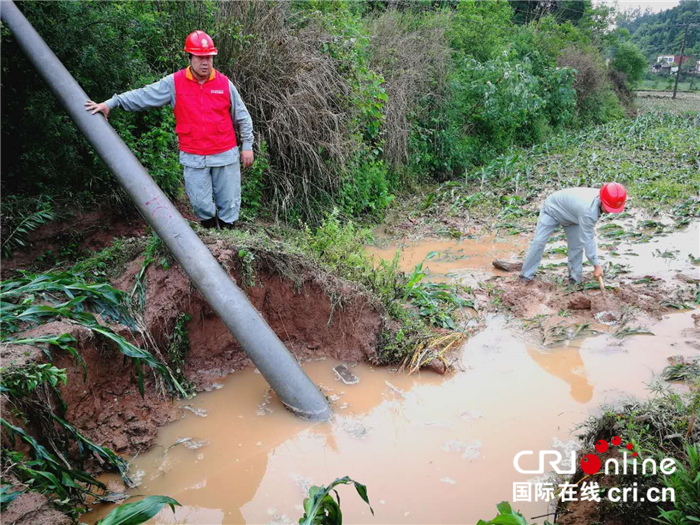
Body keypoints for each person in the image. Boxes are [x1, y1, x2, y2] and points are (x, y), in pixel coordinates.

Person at [85, 30, 254, 230]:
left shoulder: (224, 84)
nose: (205, 62)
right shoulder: (174, 83)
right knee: (200, 203)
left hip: (224, 153)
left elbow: (242, 116)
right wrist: (112, 103)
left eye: (209, 57)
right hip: (194, 156)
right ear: (190, 57)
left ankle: (228, 237)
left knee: (229, 202)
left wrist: (247, 145)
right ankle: (210, 234)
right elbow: (144, 95)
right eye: (200, 57)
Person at [519, 183, 627, 284]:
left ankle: (575, 281)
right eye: (609, 207)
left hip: (573, 217)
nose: (610, 211)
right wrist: (596, 265)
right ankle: (526, 276)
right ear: (602, 199)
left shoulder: (601, 198)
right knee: (539, 242)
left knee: (576, 247)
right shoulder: (588, 211)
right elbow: (588, 240)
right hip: (553, 210)